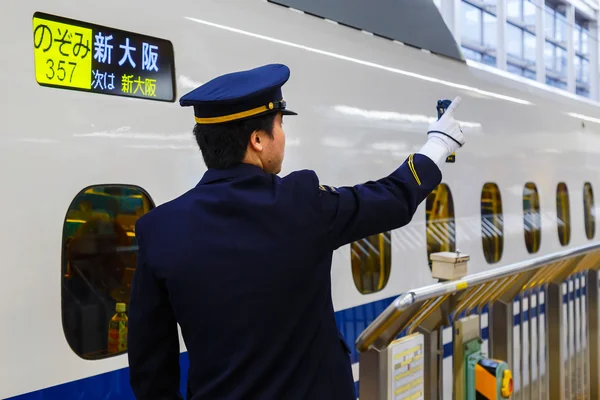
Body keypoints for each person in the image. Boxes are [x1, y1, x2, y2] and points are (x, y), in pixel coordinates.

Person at [127, 63, 465, 400]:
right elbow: (390, 199)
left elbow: (150, 368)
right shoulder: (301, 203)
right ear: (258, 140)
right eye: (280, 124)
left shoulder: (158, 229)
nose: (284, 136)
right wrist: (436, 146)